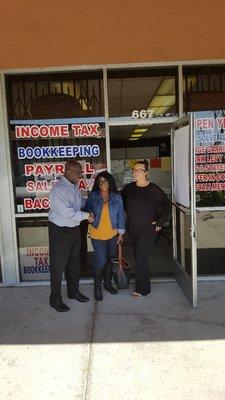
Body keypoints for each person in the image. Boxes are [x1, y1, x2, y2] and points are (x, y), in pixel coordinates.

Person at [48, 160, 94, 312]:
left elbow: (79, 202)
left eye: (81, 172)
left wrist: (92, 202)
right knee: (58, 267)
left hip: (74, 230)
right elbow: (66, 212)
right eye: (78, 172)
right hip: (60, 231)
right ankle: (55, 299)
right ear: (67, 171)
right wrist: (87, 215)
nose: (80, 175)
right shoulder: (58, 189)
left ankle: (73, 292)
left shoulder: (74, 187)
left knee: (74, 263)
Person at [121, 160, 170, 297]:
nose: (136, 172)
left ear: (146, 172)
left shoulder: (154, 190)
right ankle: (144, 284)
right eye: (134, 170)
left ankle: (142, 289)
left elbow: (166, 206)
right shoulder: (128, 188)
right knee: (139, 256)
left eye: (139, 170)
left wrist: (160, 222)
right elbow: (121, 204)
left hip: (148, 229)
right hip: (132, 228)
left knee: (140, 256)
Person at [84, 171, 125, 301]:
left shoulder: (117, 197)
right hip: (97, 234)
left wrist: (121, 234)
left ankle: (107, 284)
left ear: (110, 182)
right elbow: (86, 210)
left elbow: (120, 216)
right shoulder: (93, 196)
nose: (102, 184)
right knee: (100, 261)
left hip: (112, 234)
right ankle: (97, 287)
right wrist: (89, 214)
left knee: (109, 260)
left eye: (105, 181)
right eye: (100, 182)